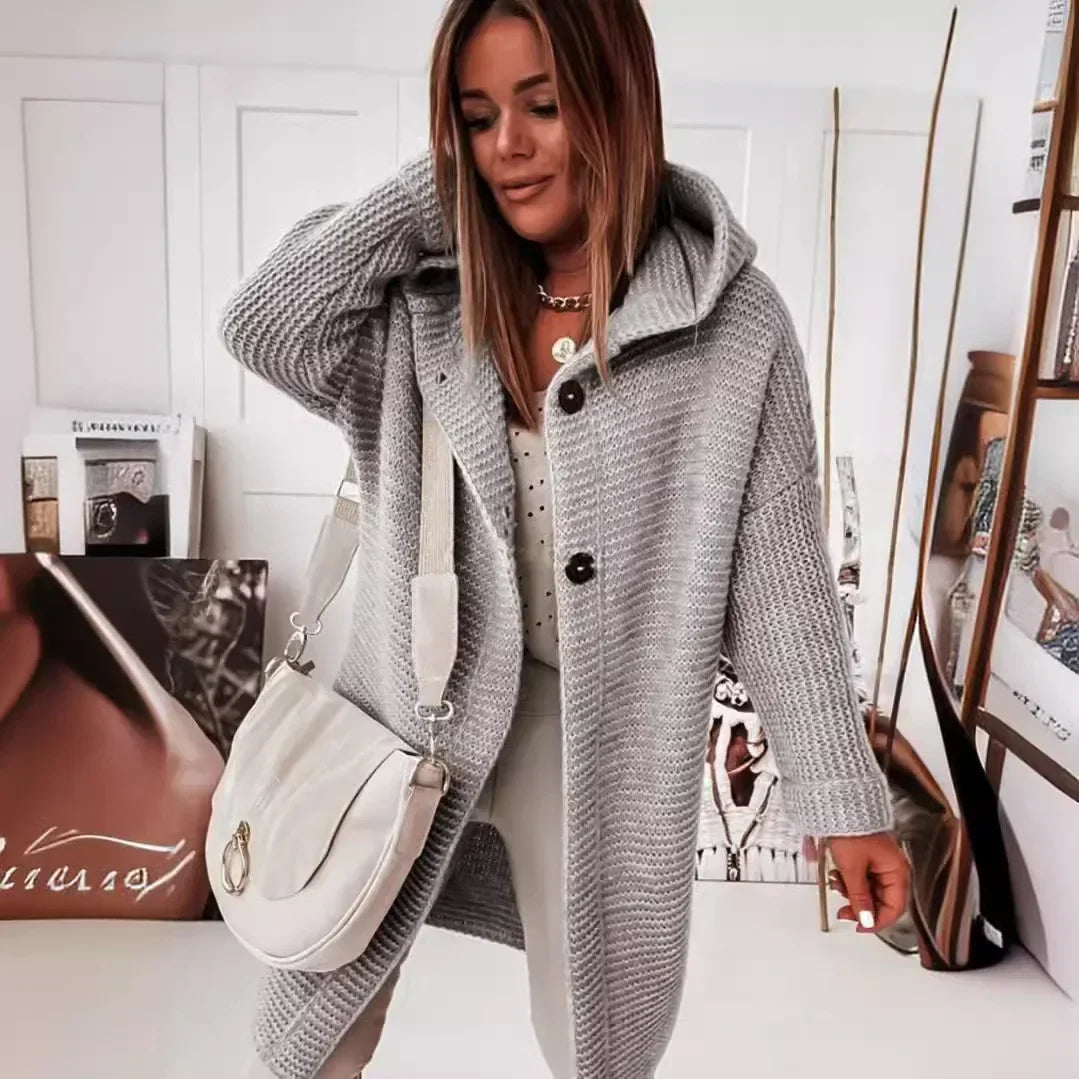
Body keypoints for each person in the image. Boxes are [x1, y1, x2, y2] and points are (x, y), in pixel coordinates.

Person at [221, 2, 910, 1076]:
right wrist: (436, 193)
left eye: (542, 105)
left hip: (593, 740)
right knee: (316, 1008)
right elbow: (266, 325)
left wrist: (843, 799)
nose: (508, 144)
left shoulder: (735, 324)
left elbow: (781, 583)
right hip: (407, 712)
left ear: (616, 98)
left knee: (596, 1037)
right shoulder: (424, 301)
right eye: (476, 116)